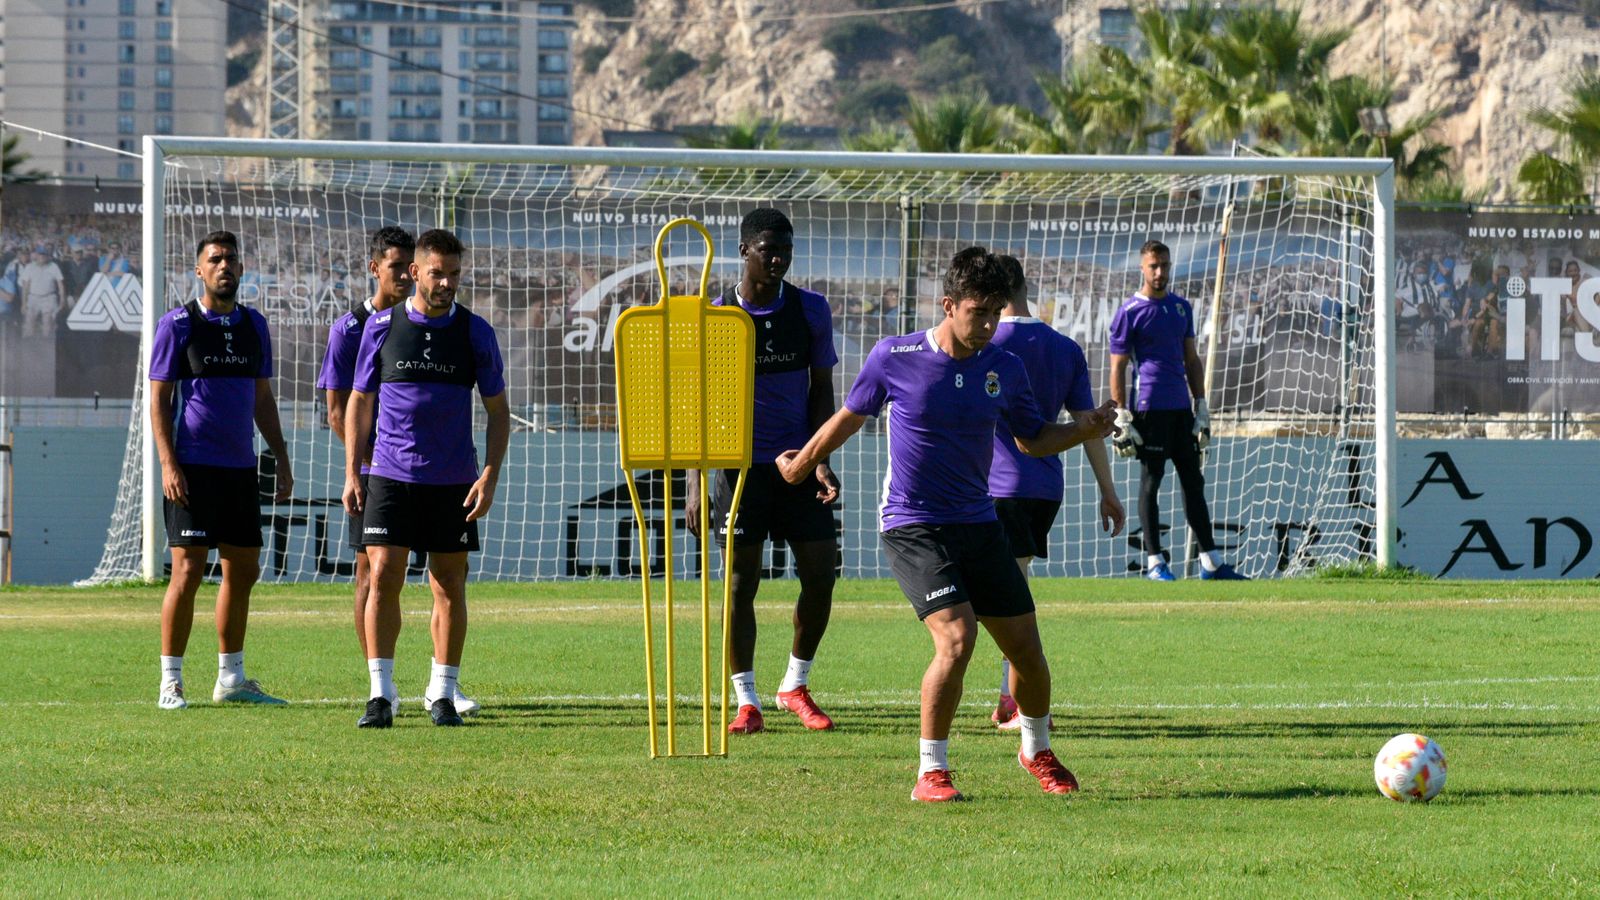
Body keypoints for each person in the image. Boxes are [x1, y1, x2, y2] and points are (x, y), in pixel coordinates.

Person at [777, 246, 1116, 802]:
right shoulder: (896, 356)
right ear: (949, 304)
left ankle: (1036, 749)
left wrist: (1085, 428)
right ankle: (931, 771)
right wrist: (804, 462)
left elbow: (1033, 440)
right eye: (977, 312)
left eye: (995, 313)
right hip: (913, 525)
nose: (987, 325)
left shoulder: (1004, 366)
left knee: (1027, 651)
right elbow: (848, 416)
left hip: (980, 523)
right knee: (958, 639)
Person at [343, 228, 508, 729]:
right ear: (415, 272)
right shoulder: (381, 327)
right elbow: (359, 401)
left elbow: (498, 411)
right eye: (437, 273)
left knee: (449, 583)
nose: (447, 283)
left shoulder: (476, 332)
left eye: (454, 274)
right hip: (389, 475)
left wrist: (489, 475)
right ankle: (381, 694)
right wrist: (352, 471)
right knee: (383, 575)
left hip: (453, 480)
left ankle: (442, 691)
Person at [685, 208, 841, 735]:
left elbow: (822, 390)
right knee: (739, 585)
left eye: (786, 251)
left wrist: (820, 458)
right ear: (744, 251)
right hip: (737, 471)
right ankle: (746, 700)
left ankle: (795, 685)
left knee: (821, 575)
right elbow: (697, 405)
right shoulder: (715, 315)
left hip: (797, 466)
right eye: (768, 250)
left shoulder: (810, 309)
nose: (778, 260)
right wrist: (694, 483)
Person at [150, 230, 294, 710]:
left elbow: (262, 399)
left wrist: (280, 455)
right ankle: (171, 681)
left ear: (241, 268)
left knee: (243, 569)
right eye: (214, 259)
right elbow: (159, 400)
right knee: (187, 570)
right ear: (199, 270)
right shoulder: (178, 325)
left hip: (239, 470)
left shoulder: (254, 325)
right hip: (191, 468)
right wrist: (168, 463)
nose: (224, 265)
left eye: (231, 258)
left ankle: (231, 678)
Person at [985, 254, 1125, 730]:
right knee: (1009, 589)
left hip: (993, 488)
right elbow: (1089, 426)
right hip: (1044, 489)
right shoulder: (1064, 347)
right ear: (1026, 288)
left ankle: (1016, 701)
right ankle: (1009, 696)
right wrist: (1108, 491)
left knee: (1002, 601)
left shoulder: (982, 343)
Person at [1108, 240, 1247, 581]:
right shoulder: (1129, 312)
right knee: (1151, 481)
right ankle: (1155, 562)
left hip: (1181, 409)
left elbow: (1191, 359)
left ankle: (1210, 561)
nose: (1160, 272)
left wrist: (1201, 405)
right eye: (1153, 266)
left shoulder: (1181, 308)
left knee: (1193, 482)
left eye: (1165, 265)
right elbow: (1118, 366)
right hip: (1148, 409)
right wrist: (1121, 416)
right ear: (1142, 268)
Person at [19, 245, 66, 338]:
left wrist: (62, 301)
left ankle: (46, 343)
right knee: (29, 322)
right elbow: (25, 287)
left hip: (49, 297)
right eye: (40, 254)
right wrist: (24, 303)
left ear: (47, 256)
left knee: (47, 323)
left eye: (44, 254)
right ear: (36, 255)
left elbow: (60, 284)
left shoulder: (53, 266)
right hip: (33, 297)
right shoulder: (29, 267)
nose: (42, 257)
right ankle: (28, 343)